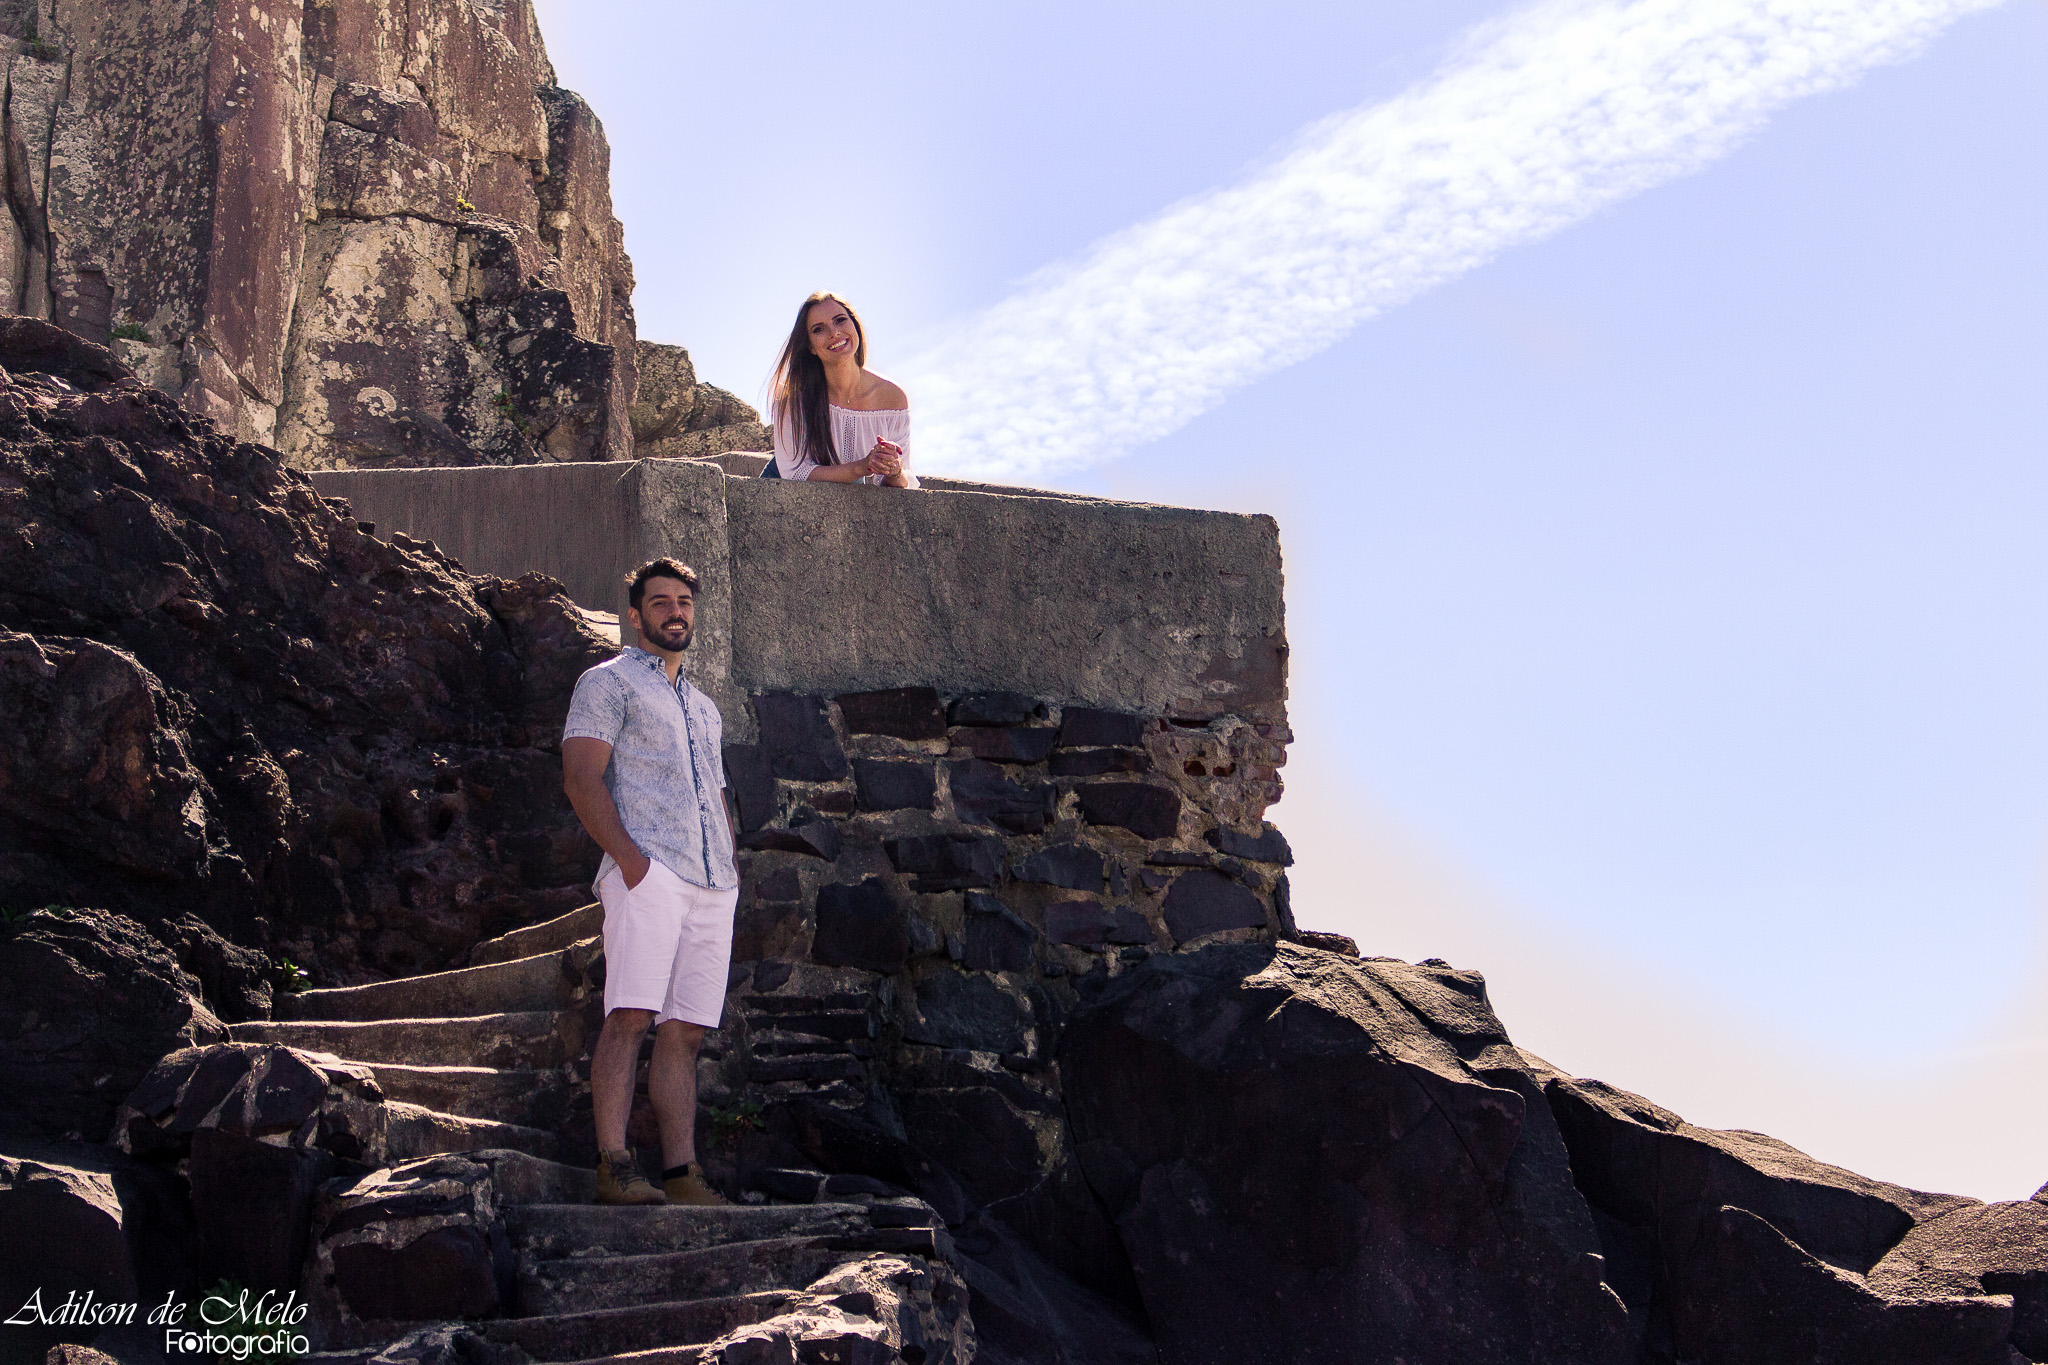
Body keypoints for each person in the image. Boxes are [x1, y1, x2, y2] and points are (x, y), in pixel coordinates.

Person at [560, 557, 739, 1206]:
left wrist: (732, 868)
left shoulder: (705, 706)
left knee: (685, 1031)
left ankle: (682, 1173)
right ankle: (613, 1163)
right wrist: (633, 863)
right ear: (635, 615)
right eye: (660, 601)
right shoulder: (607, 683)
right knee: (630, 1014)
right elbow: (581, 777)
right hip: (649, 872)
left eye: (685, 601)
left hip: (714, 883)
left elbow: (716, 794)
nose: (675, 611)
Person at [761, 292, 919, 487]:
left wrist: (893, 469)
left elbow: (904, 483)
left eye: (840, 320)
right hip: (781, 491)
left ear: (855, 325)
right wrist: (861, 467)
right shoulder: (792, 397)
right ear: (810, 346)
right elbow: (794, 472)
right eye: (819, 329)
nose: (834, 333)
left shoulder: (892, 398)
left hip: (850, 493)